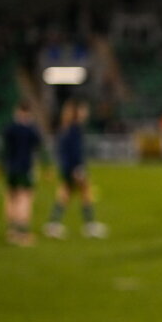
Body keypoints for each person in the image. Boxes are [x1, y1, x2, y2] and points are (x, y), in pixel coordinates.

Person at [43, 100, 107, 239]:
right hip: (74, 168)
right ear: (78, 113)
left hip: (67, 168)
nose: (87, 112)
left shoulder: (66, 128)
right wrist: (78, 169)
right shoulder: (75, 129)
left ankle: (53, 224)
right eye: (84, 109)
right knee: (85, 194)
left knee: (64, 195)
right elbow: (75, 152)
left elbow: (63, 151)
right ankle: (90, 225)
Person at [0, 101, 43, 246]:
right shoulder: (30, 129)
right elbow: (39, 147)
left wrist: (0, 165)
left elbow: (4, 148)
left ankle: (11, 231)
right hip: (25, 168)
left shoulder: (10, 127)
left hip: (11, 168)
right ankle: (22, 233)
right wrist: (46, 166)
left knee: (11, 197)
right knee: (25, 198)